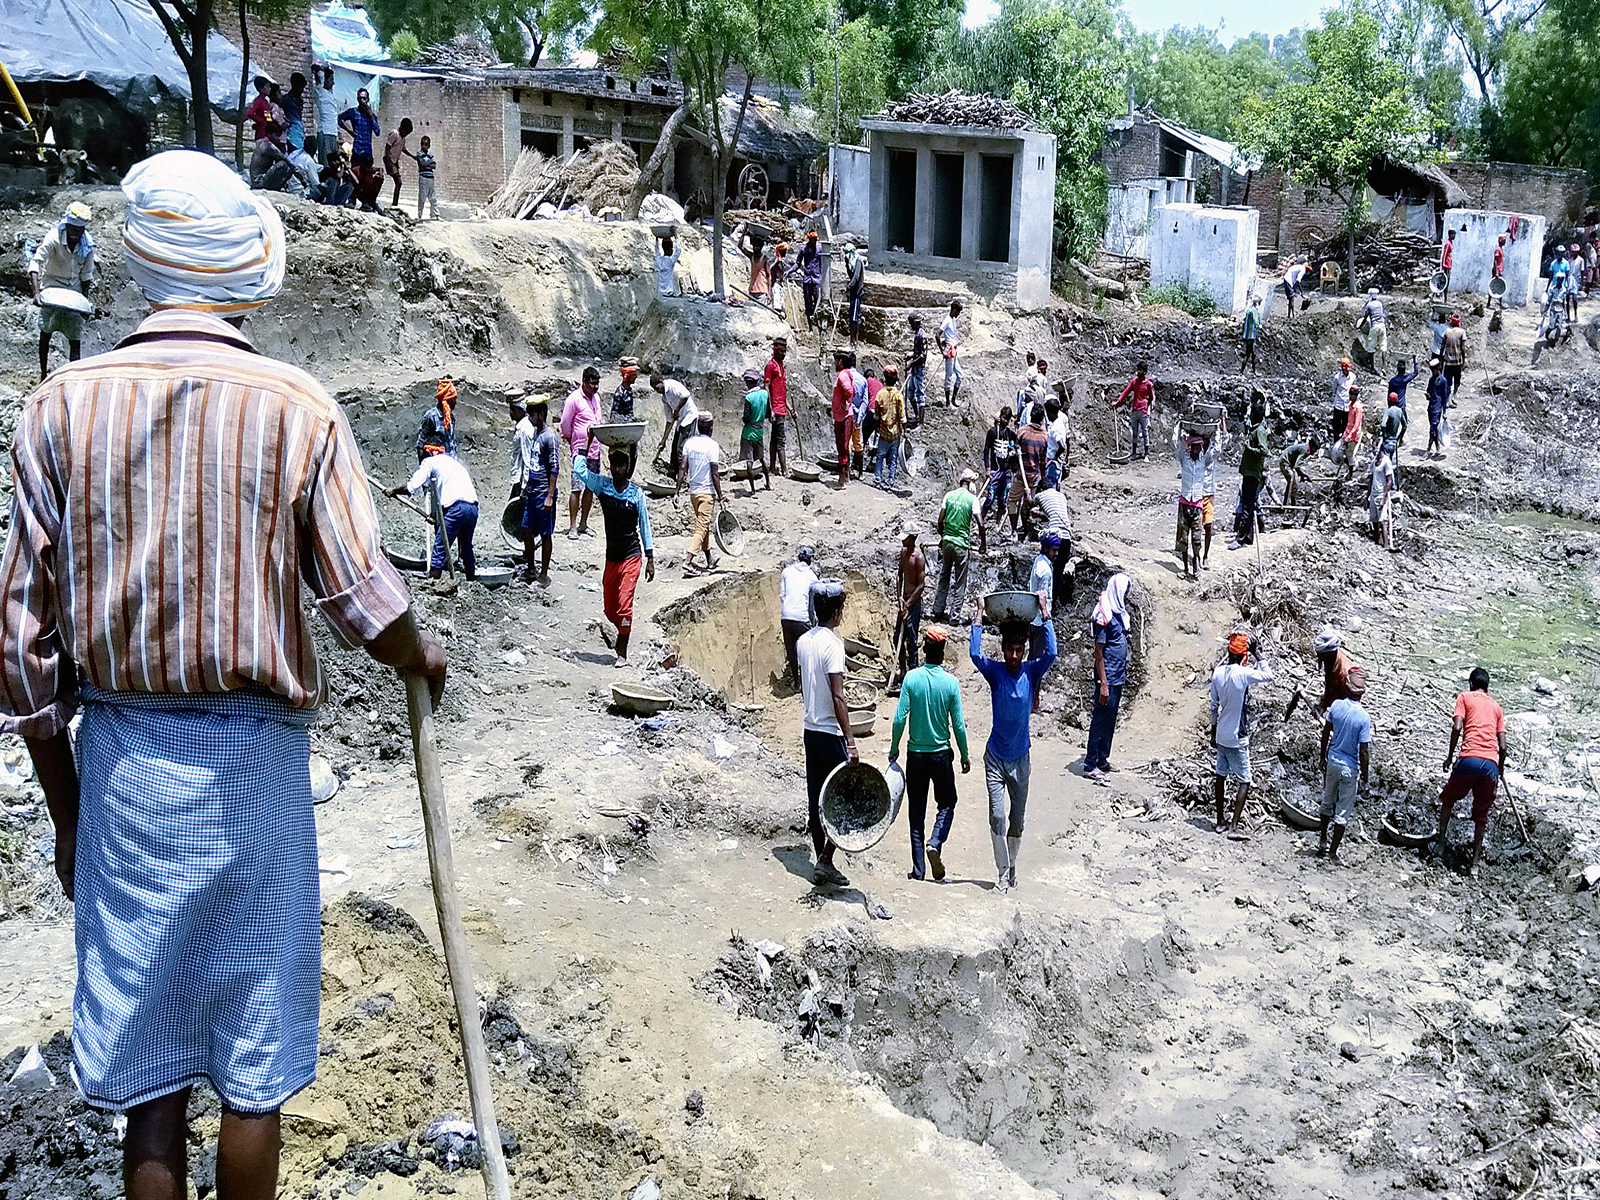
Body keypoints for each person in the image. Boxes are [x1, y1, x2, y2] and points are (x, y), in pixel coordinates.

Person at [0, 152, 446, 1199]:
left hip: (124, 771)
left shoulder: (60, 408)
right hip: (253, 771)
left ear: (142, 264)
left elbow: (20, 645)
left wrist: (68, 814)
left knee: (152, 1083)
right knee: (254, 1071)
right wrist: (421, 653)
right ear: (244, 277)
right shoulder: (297, 407)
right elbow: (363, 601)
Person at [968, 596, 1056, 893]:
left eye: (1019, 650)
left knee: (1017, 821)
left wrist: (1044, 612)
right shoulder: (996, 673)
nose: (1014, 655)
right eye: (1010, 649)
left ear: (1024, 651)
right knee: (997, 816)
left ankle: (1012, 865)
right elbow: (974, 653)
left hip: (1020, 760)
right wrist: (979, 613)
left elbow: (1052, 653)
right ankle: (1003, 873)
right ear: (1003, 649)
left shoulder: (1031, 672)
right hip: (995, 757)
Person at [890, 626, 970, 881]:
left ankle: (918, 870)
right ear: (943, 651)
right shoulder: (951, 684)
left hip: (915, 756)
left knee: (916, 812)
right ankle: (935, 842)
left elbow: (899, 719)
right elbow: (958, 725)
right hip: (941, 756)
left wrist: (894, 748)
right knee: (947, 803)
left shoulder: (911, 679)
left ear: (924, 649)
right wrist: (965, 755)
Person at [797, 582, 857, 887]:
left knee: (816, 799)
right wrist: (850, 741)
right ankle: (825, 859)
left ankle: (822, 862)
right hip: (831, 733)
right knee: (845, 799)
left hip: (810, 730)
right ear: (836, 612)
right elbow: (838, 697)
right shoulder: (833, 645)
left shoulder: (803, 642)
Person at [572, 450, 655, 666]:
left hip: (631, 556)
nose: (617, 469)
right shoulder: (603, 487)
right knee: (610, 610)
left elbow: (645, 525)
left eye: (621, 465)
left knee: (624, 606)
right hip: (612, 558)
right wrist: (586, 444)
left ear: (628, 467)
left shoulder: (636, 494)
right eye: (614, 465)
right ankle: (622, 632)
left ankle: (623, 651)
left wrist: (650, 557)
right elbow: (579, 469)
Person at [1434, 667, 1507, 875]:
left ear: (1471, 684)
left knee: (1448, 798)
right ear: (1487, 688)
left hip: (1469, 759)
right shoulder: (1497, 708)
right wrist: (1499, 770)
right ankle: (1474, 865)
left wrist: (1450, 757)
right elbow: (1503, 746)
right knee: (1481, 815)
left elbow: (1457, 727)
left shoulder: (1464, 697)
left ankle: (1440, 844)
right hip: (1490, 765)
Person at [1211, 632, 1273, 832]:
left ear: (1229, 652)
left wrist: (1213, 732)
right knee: (1244, 781)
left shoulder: (1218, 673)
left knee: (1220, 776)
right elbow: (1268, 675)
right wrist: (1258, 653)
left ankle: (1220, 821)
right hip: (1237, 736)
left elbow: (1214, 706)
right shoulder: (1243, 674)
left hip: (1221, 734)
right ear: (1243, 655)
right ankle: (1234, 827)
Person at [28, 201, 96, 380]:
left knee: (75, 337)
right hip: (52, 287)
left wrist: (85, 302)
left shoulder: (87, 244)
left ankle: (73, 377)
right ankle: (43, 374)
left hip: (74, 292)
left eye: (80, 231)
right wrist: (36, 293)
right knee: (46, 331)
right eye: (73, 230)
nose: (76, 235)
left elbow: (86, 275)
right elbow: (36, 262)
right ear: (67, 226)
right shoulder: (54, 238)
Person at [392, 449, 479, 580]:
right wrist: (434, 515)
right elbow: (446, 493)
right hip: (472, 507)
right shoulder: (452, 463)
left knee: (440, 547)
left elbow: (411, 487)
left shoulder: (429, 462)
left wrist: (393, 491)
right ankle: (471, 581)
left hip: (456, 508)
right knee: (466, 546)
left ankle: (433, 583)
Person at [1319, 681, 1372, 865]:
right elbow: (1364, 751)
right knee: (1342, 812)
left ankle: (1323, 840)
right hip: (1350, 767)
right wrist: (1365, 777)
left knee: (1327, 801)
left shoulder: (1336, 706)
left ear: (1348, 689)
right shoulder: (1364, 717)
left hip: (1333, 761)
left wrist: (1322, 757)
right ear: (1362, 694)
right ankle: (1333, 853)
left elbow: (1326, 732)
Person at [1085, 573, 1131, 781]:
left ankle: (1102, 758)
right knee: (1100, 719)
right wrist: (1103, 683)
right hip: (1108, 678)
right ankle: (1090, 763)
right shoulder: (1104, 617)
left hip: (1117, 677)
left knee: (1110, 719)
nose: (1127, 596)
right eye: (1125, 592)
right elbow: (1098, 652)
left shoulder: (1117, 613)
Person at [510, 393, 559, 587]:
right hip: (532, 492)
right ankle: (531, 569)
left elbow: (554, 469)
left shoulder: (550, 437)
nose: (530, 418)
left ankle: (544, 575)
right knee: (526, 529)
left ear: (541, 414)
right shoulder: (536, 435)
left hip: (544, 493)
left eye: (532, 415)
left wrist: (550, 496)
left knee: (546, 534)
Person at [931, 470, 982, 621]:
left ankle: (937, 610)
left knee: (944, 577)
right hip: (961, 545)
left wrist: (943, 536)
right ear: (970, 484)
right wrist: (983, 545)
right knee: (960, 582)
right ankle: (954, 616)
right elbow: (981, 524)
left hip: (947, 543)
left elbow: (940, 521)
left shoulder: (949, 495)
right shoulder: (972, 500)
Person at [560, 366, 604, 539]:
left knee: (590, 488)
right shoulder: (574, 399)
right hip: (580, 451)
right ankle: (572, 527)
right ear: (584, 382)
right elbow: (565, 424)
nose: (595, 387)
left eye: (597, 384)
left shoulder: (597, 398)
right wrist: (573, 440)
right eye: (593, 383)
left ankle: (584, 523)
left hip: (595, 451)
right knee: (576, 488)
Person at [677, 413, 724, 575]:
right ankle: (688, 561)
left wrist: (676, 491)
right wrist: (721, 496)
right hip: (707, 493)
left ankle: (709, 558)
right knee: (701, 527)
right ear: (711, 427)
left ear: (697, 426)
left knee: (703, 526)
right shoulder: (712, 446)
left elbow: (682, 468)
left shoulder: (690, 443)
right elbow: (715, 474)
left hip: (694, 493)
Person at [1173, 426, 1213, 580]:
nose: (1196, 450)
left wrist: (1214, 433)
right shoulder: (1184, 459)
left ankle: (1195, 566)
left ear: (1201, 448)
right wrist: (1179, 429)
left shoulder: (1204, 461)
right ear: (1189, 448)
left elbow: (1217, 450)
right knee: (1183, 538)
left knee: (1196, 539)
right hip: (1184, 503)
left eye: (1198, 447)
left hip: (1197, 504)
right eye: (1193, 447)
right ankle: (1185, 568)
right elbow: (1176, 443)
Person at [1029, 534, 1061, 711]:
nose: (1056, 554)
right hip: (1040, 620)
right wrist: (1046, 618)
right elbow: (1042, 597)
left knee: (1032, 658)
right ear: (1046, 549)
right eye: (1054, 550)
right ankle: (1034, 701)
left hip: (1032, 618)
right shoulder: (1046, 571)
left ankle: (1032, 699)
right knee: (1039, 660)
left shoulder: (1039, 562)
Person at [892, 525, 926, 691]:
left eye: (905, 538)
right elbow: (899, 576)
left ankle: (913, 675)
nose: (903, 541)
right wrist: (899, 599)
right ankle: (903, 670)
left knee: (912, 640)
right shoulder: (903, 553)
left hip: (913, 604)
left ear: (913, 538)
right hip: (903, 602)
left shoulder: (918, 557)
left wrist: (908, 605)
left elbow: (921, 586)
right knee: (897, 638)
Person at [779, 546, 818, 684]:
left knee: (791, 651)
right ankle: (807, 682)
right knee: (808, 651)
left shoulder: (786, 572)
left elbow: (782, 596)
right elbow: (812, 604)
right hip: (802, 618)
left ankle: (796, 681)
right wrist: (813, 623)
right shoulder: (812, 577)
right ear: (810, 560)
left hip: (786, 617)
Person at [338, 88, 382, 211]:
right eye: (360, 98)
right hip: (357, 149)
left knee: (367, 179)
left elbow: (377, 132)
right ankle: (352, 201)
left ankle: (365, 203)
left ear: (368, 99)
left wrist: (371, 116)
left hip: (367, 151)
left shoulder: (371, 115)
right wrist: (349, 131)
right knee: (353, 176)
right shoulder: (353, 112)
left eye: (364, 98)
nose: (362, 101)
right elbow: (339, 119)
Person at [651, 372, 698, 478]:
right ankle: (673, 472)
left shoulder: (672, 385)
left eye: (657, 388)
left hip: (689, 417)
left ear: (661, 382)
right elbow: (669, 420)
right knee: (674, 447)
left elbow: (686, 395)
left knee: (681, 449)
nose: (657, 391)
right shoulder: (664, 398)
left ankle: (683, 475)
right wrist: (663, 440)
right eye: (654, 389)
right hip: (681, 420)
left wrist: (677, 409)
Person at [1237, 401, 1269, 546]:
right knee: (1248, 505)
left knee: (1247, 506)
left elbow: (1263, 451)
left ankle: (1240, 538)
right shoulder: (1255, 430)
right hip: (1249, 472)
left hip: (1252, 473)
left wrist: (1249, 449)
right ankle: (1248, 537)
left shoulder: (1260, 431)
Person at [981, 407, 1018, 524]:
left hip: (1006, 471)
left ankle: (998, 522)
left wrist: (1013, 453)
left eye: (1007, 419)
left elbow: (1017, 442)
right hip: (995, 470)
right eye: (1003, 418)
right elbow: (986, 450)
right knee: (990, 498)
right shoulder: (992, 432)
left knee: (1003, 499)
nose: (1005, 421)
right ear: (1000, 417)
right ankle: (980, 521)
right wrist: (987, 468)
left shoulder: (1009, 434)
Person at [739, 367, 771, 494]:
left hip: (748, 433)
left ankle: (752, 489)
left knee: (749, 462)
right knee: (762, 458)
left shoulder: (749, 397)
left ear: (749, 382)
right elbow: (768, 413)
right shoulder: (764, 394)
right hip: (759, 431)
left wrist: (744, 420)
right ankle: (768, 483)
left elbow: (746, 417)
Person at [875, 364, 907, 489]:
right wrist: (905, 431)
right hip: (895, 434)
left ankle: (878, 479)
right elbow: (902, 416)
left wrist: (877, 428)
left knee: (880, 456)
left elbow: (876, 415)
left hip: (883, 433)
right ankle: (891, 481)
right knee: (893, 459)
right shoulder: (898, 395)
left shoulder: (880, 394)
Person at [1115, 361, 1153, 459]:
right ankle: (1134, 453)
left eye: (1141, 370)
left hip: (1143, 410)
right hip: (1135, 409)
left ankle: (1146, 453)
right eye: (1138, 370)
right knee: (1135, 432)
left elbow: (1151, 397)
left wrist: (1146, 406)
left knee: (1145, 432)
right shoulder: (1134, 382)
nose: (1138, 372)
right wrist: (1118, 402)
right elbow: (1126, 392)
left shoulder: (1148, 384)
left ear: (1145, 372)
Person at [829, 350, 856, 489]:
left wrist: (843, 402)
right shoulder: (846, 374)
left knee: (842, 447)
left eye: (836, 361)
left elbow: (849, 391)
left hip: (843, 417)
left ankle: (841, 480)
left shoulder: (842, 376)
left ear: (840, 362)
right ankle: (846, 477)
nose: (835, 363)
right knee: (844, 447)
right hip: (843, 415)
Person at [764, 338, 789, 477]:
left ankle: (773, 467)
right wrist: (771, 409)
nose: (784, 354)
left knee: (774, 439)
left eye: (785, 352)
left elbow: (783, 391)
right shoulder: (770, 366)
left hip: (781, 407)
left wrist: (790, 408)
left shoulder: (782, 367)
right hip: (776, 409)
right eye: (782, 351)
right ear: (776, 351)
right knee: (780, 440)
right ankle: (784, 469)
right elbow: (767, 387)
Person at [415, 378, 458, 458]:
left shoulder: (450, 418)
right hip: (436, 462)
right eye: (453, 399)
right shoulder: (431, 417)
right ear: (446, 401)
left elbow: (452, 444)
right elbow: (420, 445)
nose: (455, 403)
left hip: (451, 461)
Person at [1278, 433, 1321, 507]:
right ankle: (1291, 506)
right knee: (1293, 485)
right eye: (1315, 449)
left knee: (1291, 484)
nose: (1314, 452)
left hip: (1287, 462)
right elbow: (1297, 466)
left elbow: (1296, 465)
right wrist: (1305, 475)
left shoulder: (1304, 448)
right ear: (1311, 446)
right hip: (1285, 462)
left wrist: (1301, 475)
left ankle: (1287, 505)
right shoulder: (1304, 450)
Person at [1333, 384, 1364, 482]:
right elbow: (1349, 423)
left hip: (1354, 435)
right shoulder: (1350, 406)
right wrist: (1345, 435)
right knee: (1343, 453)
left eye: (1352, 395)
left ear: (1356, 395)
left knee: (1349, 454)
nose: (1351, 396)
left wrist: (1349, 436)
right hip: (1348, 433)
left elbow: (1356, 425)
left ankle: (1351, 474)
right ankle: (1349, 469)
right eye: (1350, 394)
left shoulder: (1358, 407)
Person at [1369, 438, 1396, 550]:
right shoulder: (1374, 462)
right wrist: (1367, 496)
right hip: (1373, 494)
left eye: (1374, 447)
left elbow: (1389, 481)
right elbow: (1371, 479)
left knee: (1383, 521)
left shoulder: (1386, 462)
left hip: (1381, 495)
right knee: (1374, 521)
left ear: (1379, 447)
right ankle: (1377, 542)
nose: (1373, 449)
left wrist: (1383, 498)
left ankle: (1386, 545)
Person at [1387, 356, 1420, 442]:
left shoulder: (1392, 381)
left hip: (1393, 407)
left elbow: (1388, 395)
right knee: (1404, 426)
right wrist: (1415, 361)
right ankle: (1399, 439)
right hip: (1401, 407)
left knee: (1391, 426)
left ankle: (1391, 440)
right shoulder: (1404, 380)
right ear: (1404, 370)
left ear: (1397, 369)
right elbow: (1415, 372)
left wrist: (1389, 407)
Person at [312, 65, 340, 164]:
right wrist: (322, 69)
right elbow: (316, 71)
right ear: (325, 80)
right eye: (331, 80)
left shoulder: (330, 94)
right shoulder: (319, 91)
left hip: (333, 132)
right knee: (325, 162)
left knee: (334, 162)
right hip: (325, 132)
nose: (333, 83)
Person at [382, 118, 412, 209]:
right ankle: (394, 204)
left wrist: (412, 156)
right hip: (389, 160)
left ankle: (395, 204)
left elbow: (403, 149)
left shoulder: (402, 138)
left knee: (398, 183)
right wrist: (389, 162)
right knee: (398, 182)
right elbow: (388, 146)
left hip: (394, 162)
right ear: (402, 128)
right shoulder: (395, 134)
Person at [938, 300, 963, 407]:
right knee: (948, 377)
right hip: (949, 351)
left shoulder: (953, 320)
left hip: (954, 350)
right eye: (958, 312)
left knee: (960, 375)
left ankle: (953, 399)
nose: (958, 314)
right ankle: (948, 402)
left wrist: (945, 342)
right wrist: (942, 351)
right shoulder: (947, 320)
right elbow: (937, 335)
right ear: (954, 310)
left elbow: (949, 336)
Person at [1426, 356, 1450, 458]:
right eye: (1432, 370)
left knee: (1432, 429)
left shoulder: (1443, 381)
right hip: (1431, 407)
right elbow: (1429, 391)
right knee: (1434, 430)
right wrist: (1428, 396)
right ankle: (1438, 448)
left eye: (1434, 370)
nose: (1433, 372)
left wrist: (1444, 411)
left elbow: (1445, 396)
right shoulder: (1431, 380)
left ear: (1438, 368)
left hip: (1437, 408)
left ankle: (1428, 450)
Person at [738, 226, 770, 304]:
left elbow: (769, 276)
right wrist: (744, 233)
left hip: (762, 291)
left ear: (761, 247)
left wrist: (769, 293)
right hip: (752, 290)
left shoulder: (764, 259)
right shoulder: (751, 256)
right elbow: (740, 246)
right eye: (754, 246)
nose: (755, 248)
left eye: (757, 246)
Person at [1044, 394, 1071, 488]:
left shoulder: (1055, 428)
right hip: (1055, 462)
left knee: (1051, 486)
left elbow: (1062, 446)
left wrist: (1055, 456)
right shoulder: (1059, 423)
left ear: (1050, 412)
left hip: (1052, 463)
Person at [409, 134, 438, 220]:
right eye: (422, 144)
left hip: (431, 178)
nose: (424, 146)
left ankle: (434, 214)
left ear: (429, 146)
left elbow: (434, 166)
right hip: (423, 177)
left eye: (426, 144)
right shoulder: (419, 153)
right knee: (422, 197)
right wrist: (429, 163)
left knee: (433, 197)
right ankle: (420, 214)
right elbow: (422, 163)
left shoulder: (430, 154)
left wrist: (427, 163)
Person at [798, 230, 822, 328]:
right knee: (808, 303)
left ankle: (817, 324)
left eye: (815, 239)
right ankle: (810, 326)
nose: (814, 241)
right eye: (812, 239)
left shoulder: (819, 249)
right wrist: (789, 271)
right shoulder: (803, 249)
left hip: (816, 280)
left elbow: (823, 264)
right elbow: (798, 263)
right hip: (807, 280)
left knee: (818, 301)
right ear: (809, 239)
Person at [905, 313, 927, 421]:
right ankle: (917, 415)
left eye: (911, 324)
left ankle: (921, 423)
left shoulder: (922, 336)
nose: (911, 326)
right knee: (910, 393)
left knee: (920, 395)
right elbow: (917, 353)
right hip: (915, 368)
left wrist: (911, 364)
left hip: (919, 369)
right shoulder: (917, 334)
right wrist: (910, 356)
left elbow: (922, 356)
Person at [844, 241, 866, 345]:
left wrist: (848, 286)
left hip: (857, 292)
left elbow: (856, 277)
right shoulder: (849, 262)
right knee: (851, 316)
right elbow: (850, 275)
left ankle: (854, 340)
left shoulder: (858, 261)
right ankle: (851, 339)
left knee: (854, 317)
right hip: (852, 293)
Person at [1440, 313, 1468, 397]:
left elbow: (1442, 347)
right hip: (1457, 361)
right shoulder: (1462, 332)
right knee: (1457, 380)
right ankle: (1454, 394)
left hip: (1448, 361)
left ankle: (1447, 395)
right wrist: (1463, 359)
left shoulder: (1447, 331)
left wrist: (1441, 359)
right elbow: (1463, 348)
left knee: (1447, 380)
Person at [243, 75, 277, 143]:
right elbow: (250, 113)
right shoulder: (259, 101)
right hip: (261, 134)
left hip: (267, 132)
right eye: (267, 87)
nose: (269, 89)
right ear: (261, 89)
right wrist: (261, 121)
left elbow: (267, 115)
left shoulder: (265, 101)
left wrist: (270, 122)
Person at [1330, 357, 1355, 445]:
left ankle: (1343, 444)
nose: (1344, 369)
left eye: (1346, 367)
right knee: (1336, 426)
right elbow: (1334, 389)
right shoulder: (1337, 377)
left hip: (1347, 406)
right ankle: (1335, 443)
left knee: (1345, 426)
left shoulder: (1353, 377)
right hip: (1338, 405)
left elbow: (1353, 389)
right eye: (1343, 367)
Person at [282, 72, 307, 151]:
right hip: (291, 133)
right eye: (301, 87)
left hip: (299, 130)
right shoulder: (286, 100)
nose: (302, 90)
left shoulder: (299, 100)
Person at [1360, 287, 1388, 358]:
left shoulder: (1369, 305)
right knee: (1383, 346)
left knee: (1371, 347)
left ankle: (1371, 364)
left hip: (1375, 326)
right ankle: (1384, 364)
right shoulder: (1380, 304)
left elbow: (1365, 317)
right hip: (1382, 326)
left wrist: (1360, 326)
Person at [611, 356, 640, 421]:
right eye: (634, 375)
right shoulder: (620, 392)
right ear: (628, 375)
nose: (636, 377)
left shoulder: (629, 391)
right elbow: (614, 415)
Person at [1240, 293, 1261, 373]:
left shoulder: (1248, 310)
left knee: (1252, 354)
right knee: (1248, 354)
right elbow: (1256, 323)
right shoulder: (1254, 311)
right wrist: (1260, 327)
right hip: (1251, 335)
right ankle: (1242, 371)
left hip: (1246, 335)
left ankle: (1254, 371)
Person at [1440, 228, 1455, 297]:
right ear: (1449, 235)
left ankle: (1445, 298)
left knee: (1448, 282)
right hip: (1446, 265)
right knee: (1446, 282)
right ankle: (1444, 297)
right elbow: (1444, 254)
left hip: (1449, 264)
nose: (1453, 236)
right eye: (1452, 234)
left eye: (1454, 234)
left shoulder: (1451, 243)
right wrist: (1443, 265)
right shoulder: (1447, 244)